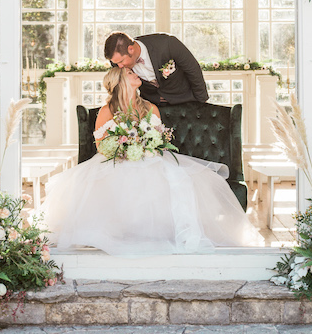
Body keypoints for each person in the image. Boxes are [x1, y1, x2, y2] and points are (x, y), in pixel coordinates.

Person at [37, 67, 263, 256]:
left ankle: (161, 232)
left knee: (175, 178)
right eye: (129, 72)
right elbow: (101, 145)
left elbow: (158, 139)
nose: (135, 73)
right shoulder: (108, 111)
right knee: (115, 178)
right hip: (116, 159)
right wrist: (124, 149)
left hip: (149, 156)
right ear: (119, 81)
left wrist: (144, 147)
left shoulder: (149, 108)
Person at [104, 31, 208, 106]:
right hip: (150, 105)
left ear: (131, 49)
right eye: (116, 63)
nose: (120, 67)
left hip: (183, 100)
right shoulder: (117, 61)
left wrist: (201, 102)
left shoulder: (167, 44)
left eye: (121, 61)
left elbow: (193, 70)